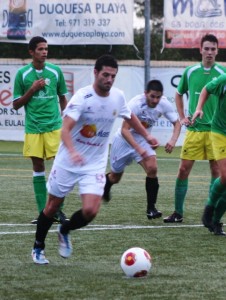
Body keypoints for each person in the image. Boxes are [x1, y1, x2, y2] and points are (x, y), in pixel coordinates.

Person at [31, 54, 159, 264]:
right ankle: (38, 247)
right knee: (52, 206)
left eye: (113, 76)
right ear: (95, 73)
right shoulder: (83, 97)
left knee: (91, 210)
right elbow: (66, 129)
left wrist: (147, 136)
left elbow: (129, 117)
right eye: (105, 75)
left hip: (94, 164)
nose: (109, 80)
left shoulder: (117, 97)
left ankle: (65, 229)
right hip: (68, 161)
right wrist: (72, 151)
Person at [163, 33, 226, 223]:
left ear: (217, 51)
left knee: (217, 173)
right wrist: (182, 118)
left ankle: (211, 213)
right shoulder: (190, 72)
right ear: (200, 50)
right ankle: (178, 212)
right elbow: (178, 94)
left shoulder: (222, 73)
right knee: (183, 169)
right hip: (195, 130)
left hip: (215, 132)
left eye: (213, 49)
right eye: (206, 48)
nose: (209, 52)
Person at [102, 80, 181, 219]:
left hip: (143, 139)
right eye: (152, 96)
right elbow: (125, 130)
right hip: (124, 140)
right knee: (115, 177)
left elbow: (177, 123)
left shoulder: (164, 104)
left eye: (158, 97)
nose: (155, 100)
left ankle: (151, 209)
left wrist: (173, 140)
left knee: (152, 168)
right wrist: (138, 148)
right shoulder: (135, 104)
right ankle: (106, 183)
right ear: (146, 94)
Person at [12, 36, 68, 224]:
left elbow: (62, 97)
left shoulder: (55, 71)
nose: (44, 52)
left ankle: (58, 211)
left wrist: (65, 118)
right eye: (40, 49)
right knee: (38, 168)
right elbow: (16, 105)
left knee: (59, 169)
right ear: (31, 52)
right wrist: (33, 89)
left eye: (46, 49)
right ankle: (43, 213)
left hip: (54, 127)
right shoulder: (22, 75)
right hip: (33, 128)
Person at [192, 73, 226, 235]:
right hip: (220, 132)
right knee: (225, 177)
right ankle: (210, 206)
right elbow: (206, 89)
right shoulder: (224, 79)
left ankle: (216, 221)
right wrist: (199, 108)